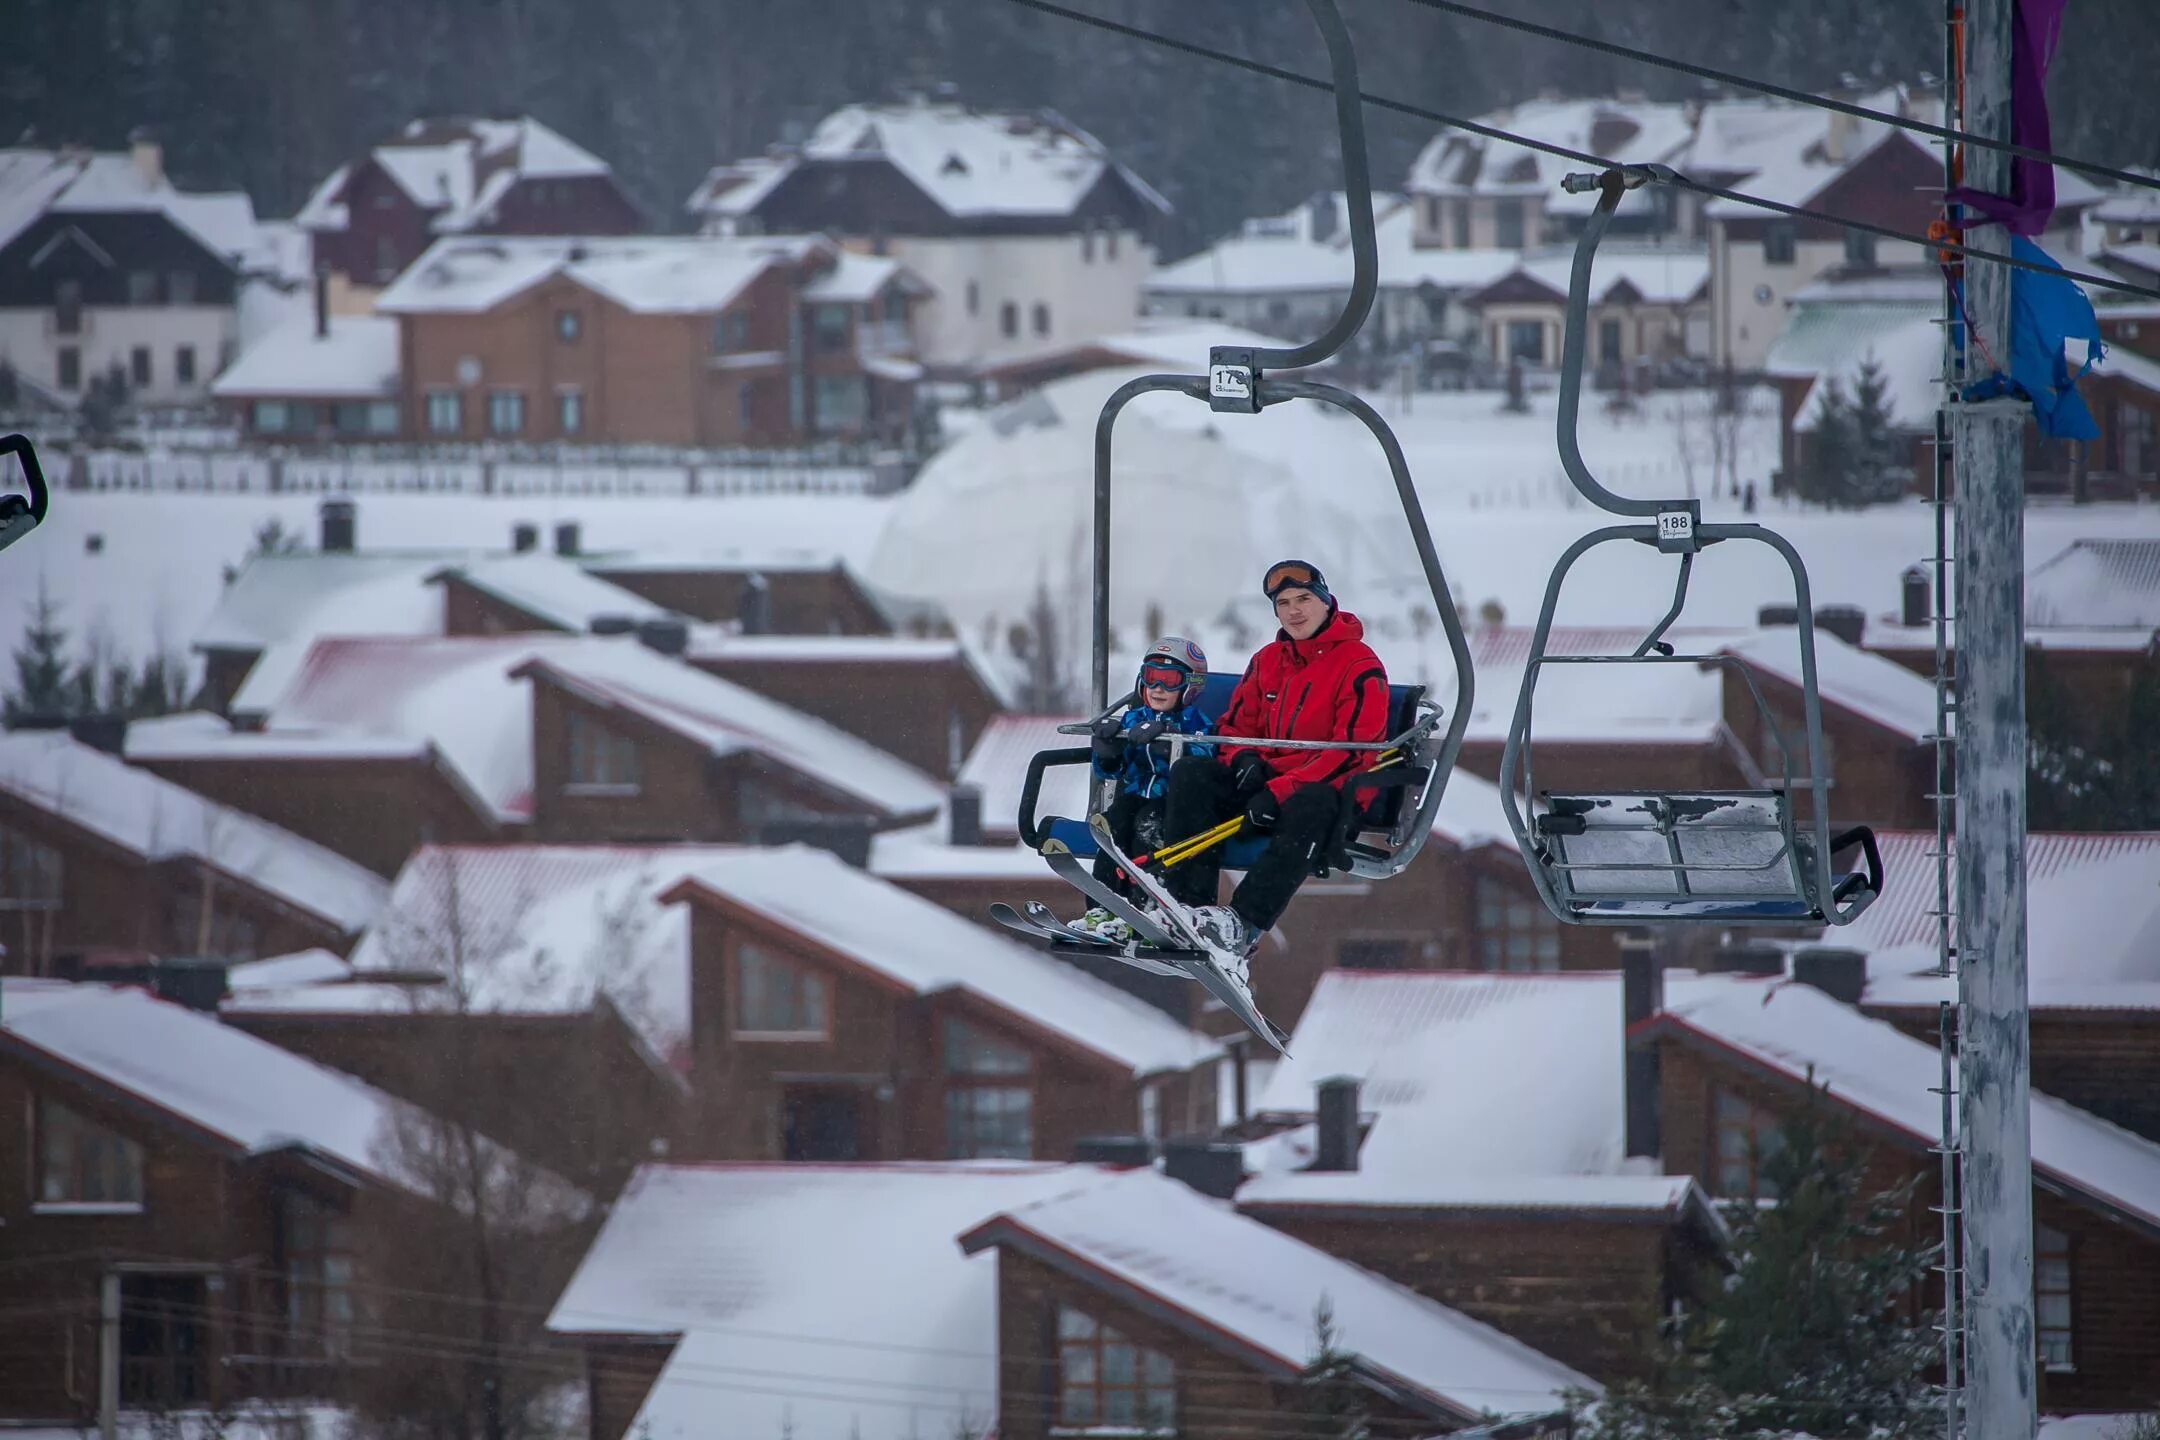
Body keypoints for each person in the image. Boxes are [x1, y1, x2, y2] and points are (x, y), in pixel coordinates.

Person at [1160, 560, 1388, 983]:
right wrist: (1243, 759)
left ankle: (1242, 926)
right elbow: (1235, 727)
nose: (1294, 611)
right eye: (1283, 603)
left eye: (1303, 600)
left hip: (1325, 791)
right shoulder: (1268, 661)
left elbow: (1351, 753)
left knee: (1313, 804)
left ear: (1325, 602)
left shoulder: (1359, 666)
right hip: (1268, 782)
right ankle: (1188, 909)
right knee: (1193, 773)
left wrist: (1279, 791)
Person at [1072, 636, 1215, 942]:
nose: (1158, 689)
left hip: (1170, 804)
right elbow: (1110, 771)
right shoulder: (1135, 718)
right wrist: (1109, 751)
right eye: (1152, 678)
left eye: (1169, 680)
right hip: (1135, 795)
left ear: (1191, 685)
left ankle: (1147, 908)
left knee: (1147, 829)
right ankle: (1102, 906)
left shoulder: (1196, 724)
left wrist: (1171, 743)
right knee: (1112, 827)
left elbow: (1206, 763)